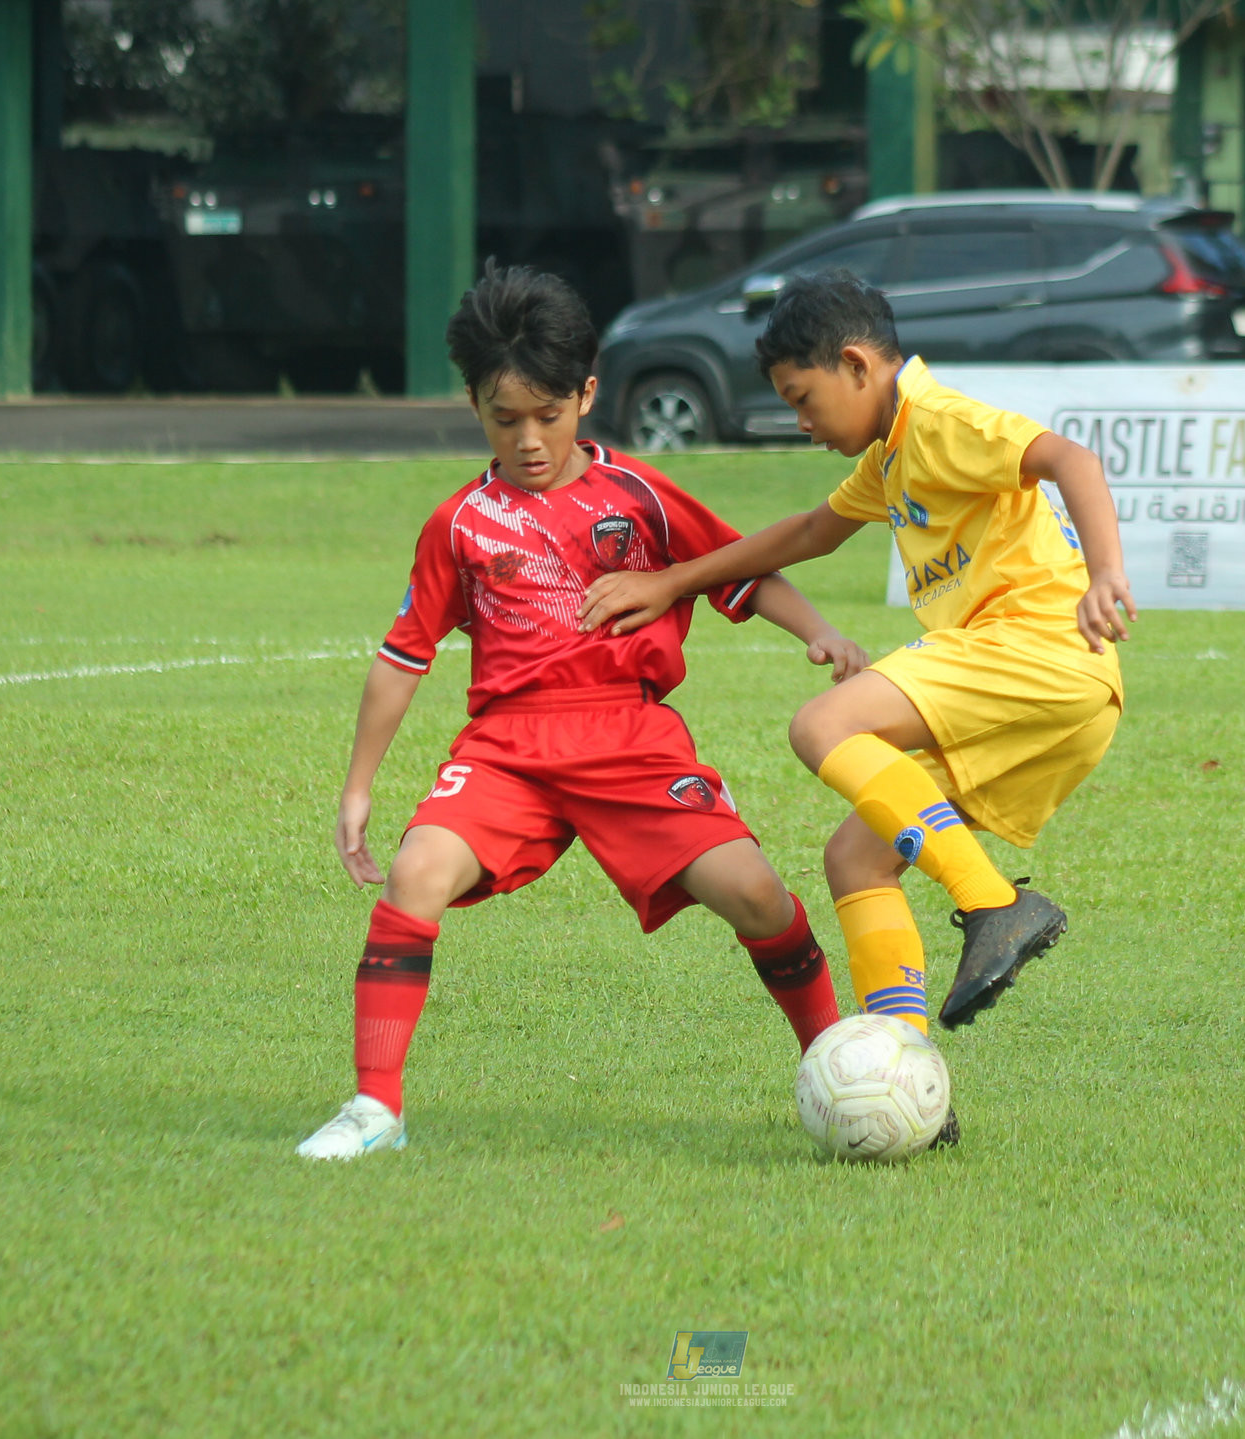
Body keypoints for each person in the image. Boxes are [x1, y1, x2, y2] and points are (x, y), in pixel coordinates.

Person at [298, 263, 867, 1162]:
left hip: (629, 734)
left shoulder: (636, 494)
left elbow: (739, 570)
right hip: (508, 748)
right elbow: (404, 654)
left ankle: (843, 1067)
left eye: (548, 414)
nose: (528, 438)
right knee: (415, 876)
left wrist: (823, 632)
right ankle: (375, 1107)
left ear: (587, 393)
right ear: (474, 406)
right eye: (504, 417)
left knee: (757, 895)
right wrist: (359, 786)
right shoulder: (460, 523)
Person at [578, 271, 1133, 1039]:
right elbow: (809, 532)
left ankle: (994, 903)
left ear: (856, 364)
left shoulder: (939, 419)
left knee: (822, 726)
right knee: (855, 860)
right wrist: (672, 578)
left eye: (802, 397)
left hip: (1035, 646)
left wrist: (1106, 573)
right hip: (1051, 691)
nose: (800, 420)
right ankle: (901, 1068)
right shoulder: (892, 454)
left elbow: (1074, 461)